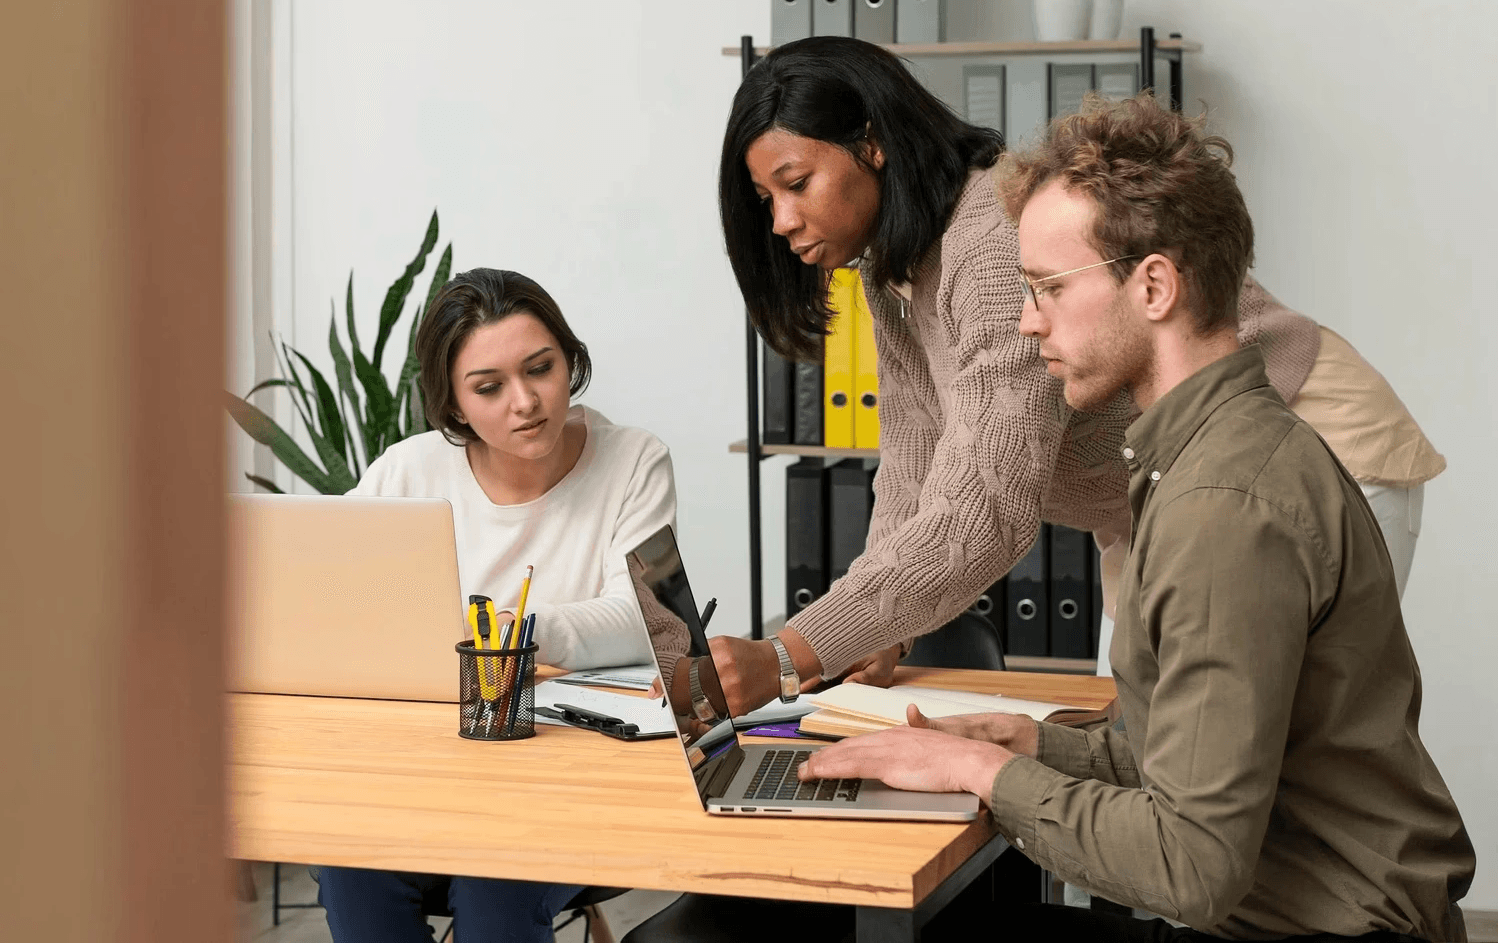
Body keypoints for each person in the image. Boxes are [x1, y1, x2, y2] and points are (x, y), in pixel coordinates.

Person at [798, 94, 1475, 942]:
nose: (1024, 319)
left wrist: (975, 769)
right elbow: (1185, 761)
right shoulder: (1194, 458)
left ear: (1152, 285)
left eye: (1046, 287)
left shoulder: (1224, 509)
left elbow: (1188, 862)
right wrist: (1030, 745)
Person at [707, 36, 1444, 714]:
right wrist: (874, 627)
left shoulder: (990, 245)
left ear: (871, 145)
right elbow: (912, 469)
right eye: (767, 200)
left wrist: (786, 654)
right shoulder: (894, 279)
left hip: (1306, 446)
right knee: (1130, 751)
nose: (780, 221)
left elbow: (988, 506)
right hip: (1156, 501)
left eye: (794, 183)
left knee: (1261, 763)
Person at [317, 268, 677, 943]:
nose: (526, 401)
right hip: (425, 781)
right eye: (489, 387)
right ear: (453, 405)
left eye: (541, 369)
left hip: (562, 787)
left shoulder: (633, 460)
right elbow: (332, 598)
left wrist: (523, 630)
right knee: (350, 867)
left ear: (570, 362)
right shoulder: (407, 472)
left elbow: (646, 618)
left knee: (495, 878)